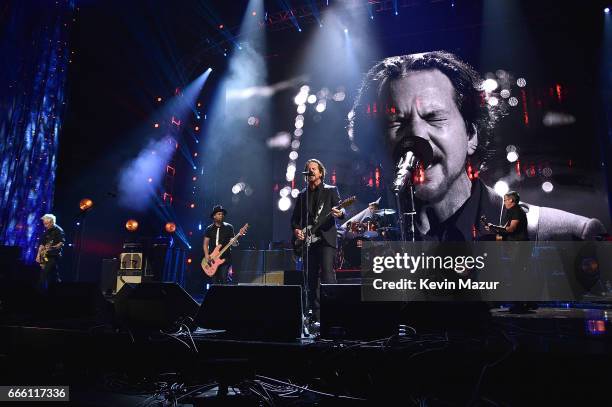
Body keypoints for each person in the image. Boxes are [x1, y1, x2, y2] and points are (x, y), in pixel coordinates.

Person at [349, 51, 606, 241]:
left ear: (472, 135)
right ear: (375, 145)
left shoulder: (565, 236)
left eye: (433, 117)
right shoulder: (347, 242)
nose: (416, 134)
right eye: (397, 121)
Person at [291, 159, 345, 326]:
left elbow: (342, 209)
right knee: (311, 278)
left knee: (328, 274)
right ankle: (316, 315)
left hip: (326, 239)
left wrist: (340, 213)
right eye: (308, 169)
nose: (311, 171)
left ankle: (334, 311)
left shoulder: (331, 191)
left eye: (314, 169)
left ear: (321, 172)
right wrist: (297, 231)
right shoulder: (302, 195)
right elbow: (295, 219)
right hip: (309, 241)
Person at [203, 205, 237, 284]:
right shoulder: (209, 229)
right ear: (214, 216)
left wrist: (235, 242)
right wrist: (207, 255)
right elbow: (205, 244)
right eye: (219, 214)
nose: (221, 215)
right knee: (214, 281)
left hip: (225, 258)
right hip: (213, 259)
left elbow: (234, 243)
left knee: (224, 278)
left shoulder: (229, 227)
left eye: (222, 214)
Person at [36, 214, 65, 289]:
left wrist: (51, 247)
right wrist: (38, 255)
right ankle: (59, 286)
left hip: (54, 256)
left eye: (46, 224)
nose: (45, 226)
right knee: (52, 273)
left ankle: (39, 290)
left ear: (52, 222)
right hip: (45, 256)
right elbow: (42, 244)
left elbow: (61, 244)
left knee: (44, 273)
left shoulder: (59, 230)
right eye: (44, 224)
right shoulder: (47, 231)